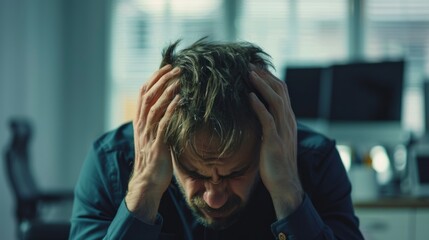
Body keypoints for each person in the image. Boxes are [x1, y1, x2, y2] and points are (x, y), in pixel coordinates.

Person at [69, 38, 364, 240]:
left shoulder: (315, 159)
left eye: (235, 172)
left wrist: (288, 190)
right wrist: (143, 193)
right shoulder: (111, 162)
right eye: (194, 172)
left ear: (264, 143)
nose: (214, 197)